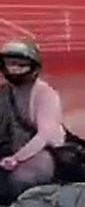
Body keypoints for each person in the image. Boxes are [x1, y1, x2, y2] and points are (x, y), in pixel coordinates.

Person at [0, 41, 64, 198]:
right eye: (10, 65)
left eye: (20, 65)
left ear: (33, 67)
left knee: (19, 182)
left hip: (42, 152)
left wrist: (17, 159)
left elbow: (44, 136)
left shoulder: (45, 94)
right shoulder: (4, 93)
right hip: (9, 150)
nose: (14, 70)